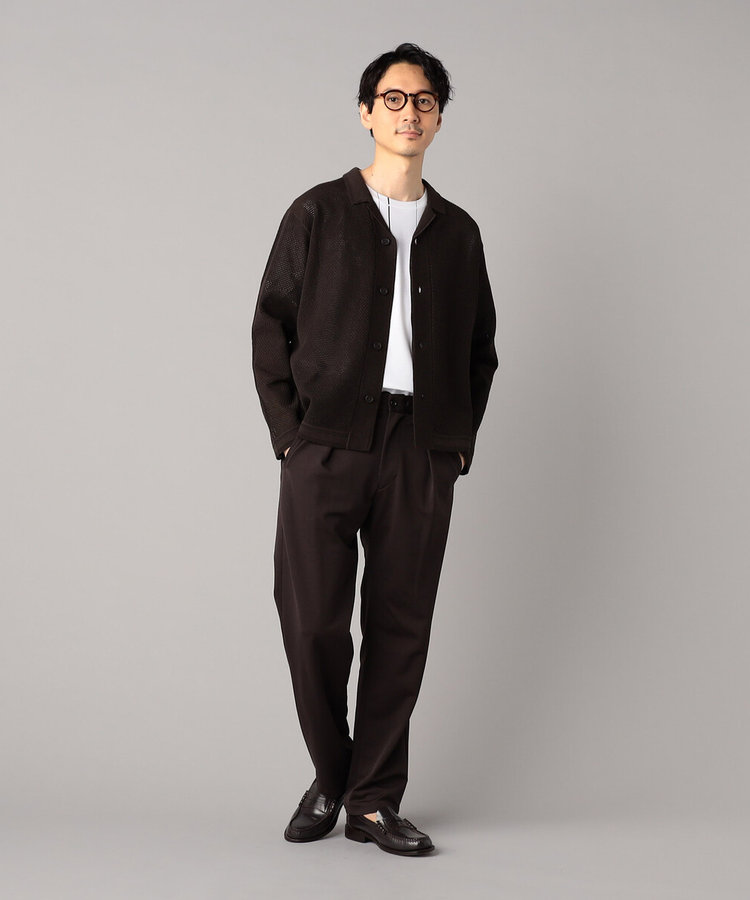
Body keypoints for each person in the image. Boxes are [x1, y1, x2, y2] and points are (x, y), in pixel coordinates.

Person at [252, 42, 498, 856]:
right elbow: (270, 328)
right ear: (366, 112)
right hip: (325, 445)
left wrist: (453, 448)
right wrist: (291, 439)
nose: (408, 113)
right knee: (312, 624)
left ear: (439, 118)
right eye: (393, 99)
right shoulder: (318, 214)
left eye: (423, 101)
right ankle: (335, 773)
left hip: (420, 450)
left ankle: (372, 801)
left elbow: (480, 350)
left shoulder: (458, 235)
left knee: (401, 627)